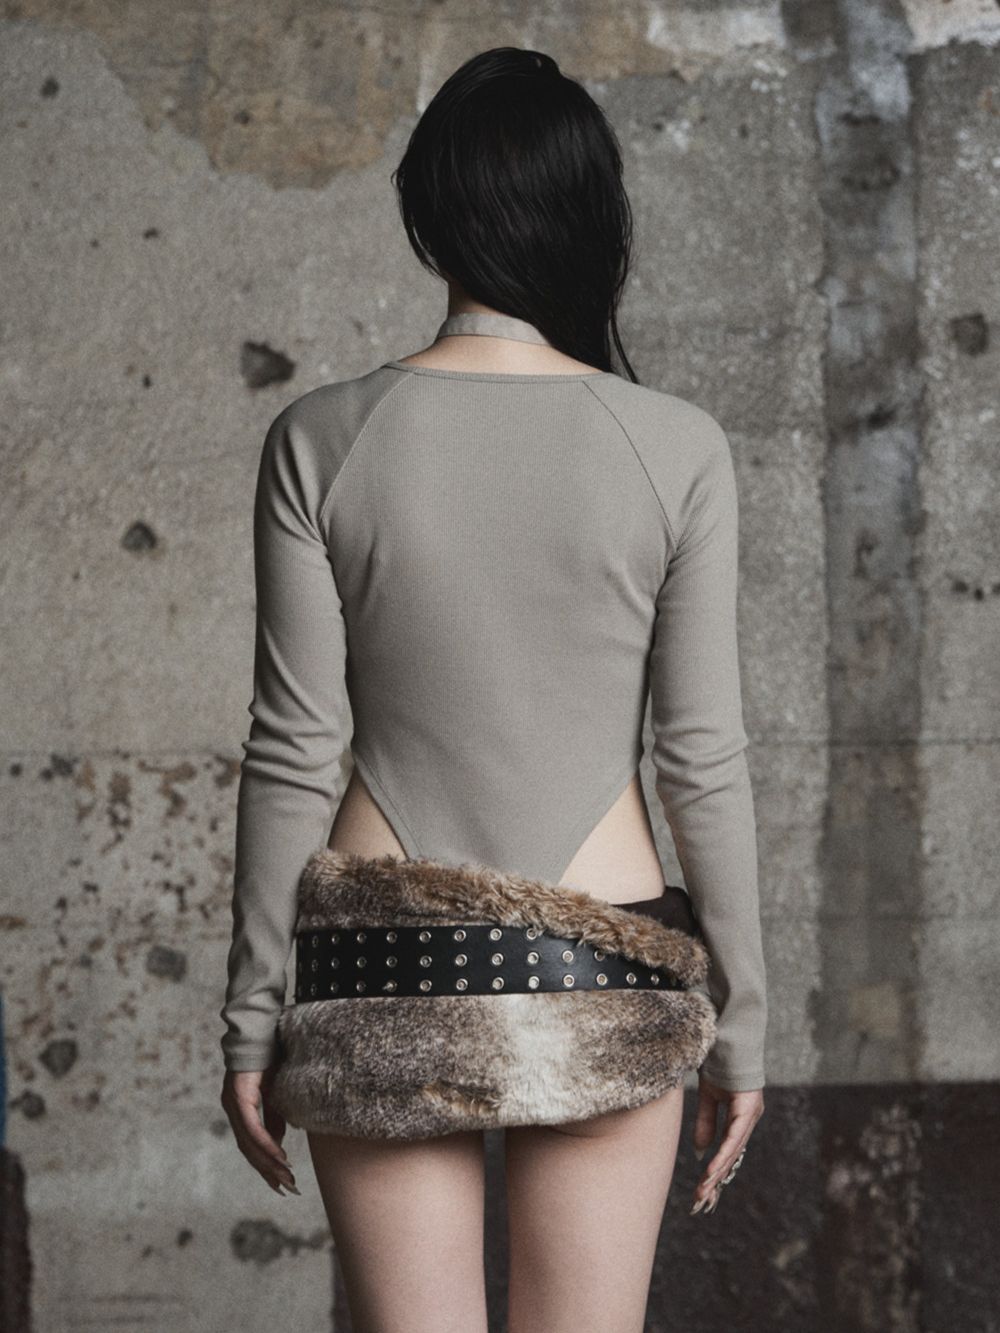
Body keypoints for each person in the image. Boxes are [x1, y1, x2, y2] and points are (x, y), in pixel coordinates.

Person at [219, 44, 767, 1333]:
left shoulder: (320, 437)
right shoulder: (677, 446)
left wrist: (251, 1021)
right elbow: (702, 759)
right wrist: (744, 1021)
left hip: (377, 956)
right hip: (604, 951)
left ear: (428, 215)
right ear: (592, 215)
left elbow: (292, 747)